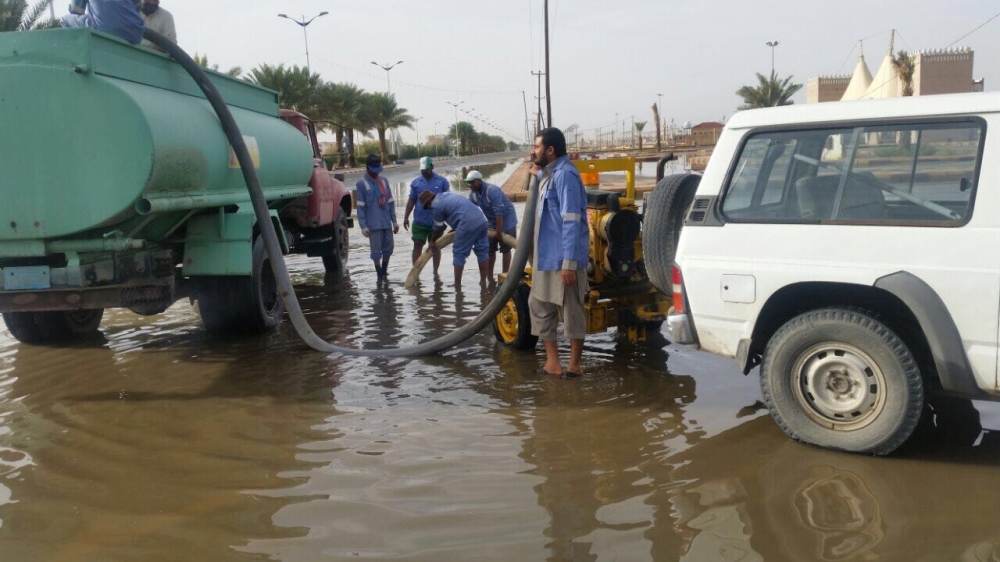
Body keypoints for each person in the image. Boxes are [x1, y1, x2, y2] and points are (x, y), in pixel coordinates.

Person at [529, 128, 590, 379]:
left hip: (564, 259)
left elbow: (571, 221)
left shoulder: (565, 176)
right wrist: (536, 174)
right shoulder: (549, 174)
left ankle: (574, 366)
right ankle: (553, 363)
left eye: (537, 147)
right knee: (539, 307)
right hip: (545, 257)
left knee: (572, 310)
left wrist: (569, 263)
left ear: (550, 150)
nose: (533, 151)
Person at [418, 191, 490, 288]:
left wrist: (432, 241)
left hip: (466, 224)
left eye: (427, 207)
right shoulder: (447, 195)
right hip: (481, 221)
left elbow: (438, 227)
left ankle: (457, 285)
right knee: (482, 251)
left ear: (428, 202)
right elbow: (459, 210)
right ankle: (483, 282)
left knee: (459, 254)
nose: (429, 209)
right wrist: (454, 228)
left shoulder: (436, 206)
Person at [465, 170, 518, 276]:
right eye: (468, 182)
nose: (470, 185)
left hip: (507, 220)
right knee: (490, 248)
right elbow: (468, 211)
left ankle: (505, 274)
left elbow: (499, 213)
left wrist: (499, 232)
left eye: (472, 182)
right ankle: (489, 275)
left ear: (479, 181)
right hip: (491, 222)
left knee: (505, 249)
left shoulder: (492, 191)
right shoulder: (474, 195)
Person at [404, 156, 450, 276]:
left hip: (437, 221)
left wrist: (449, 218)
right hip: (420, 220)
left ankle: (435, 273)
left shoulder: (442, 182)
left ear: (432, 167)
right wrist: (406, 217)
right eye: (422, 169)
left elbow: (448, 200)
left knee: (436, 247)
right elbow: (411, 200)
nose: (424, 171)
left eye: (426, 168)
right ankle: (416, 272)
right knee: (417, 245)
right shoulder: (416, 183)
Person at [355, 154, 399, 280]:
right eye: (373, 171)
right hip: (373, 224)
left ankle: (384, 271)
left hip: (386, 222)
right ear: (367, 168)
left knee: (389, 248)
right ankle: (379, 273)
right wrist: (363, 226)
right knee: (375, 251)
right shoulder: (361, 184)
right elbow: (360, 207)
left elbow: (390, 202)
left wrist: (394, 221)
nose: (376, 174)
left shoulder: (384, 181)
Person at [61, 0, 145, 44]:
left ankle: (78, 57)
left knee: (64, 20)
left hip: (103, 29)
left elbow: (76, 10)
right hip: (136, 33)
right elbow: (137, 6)